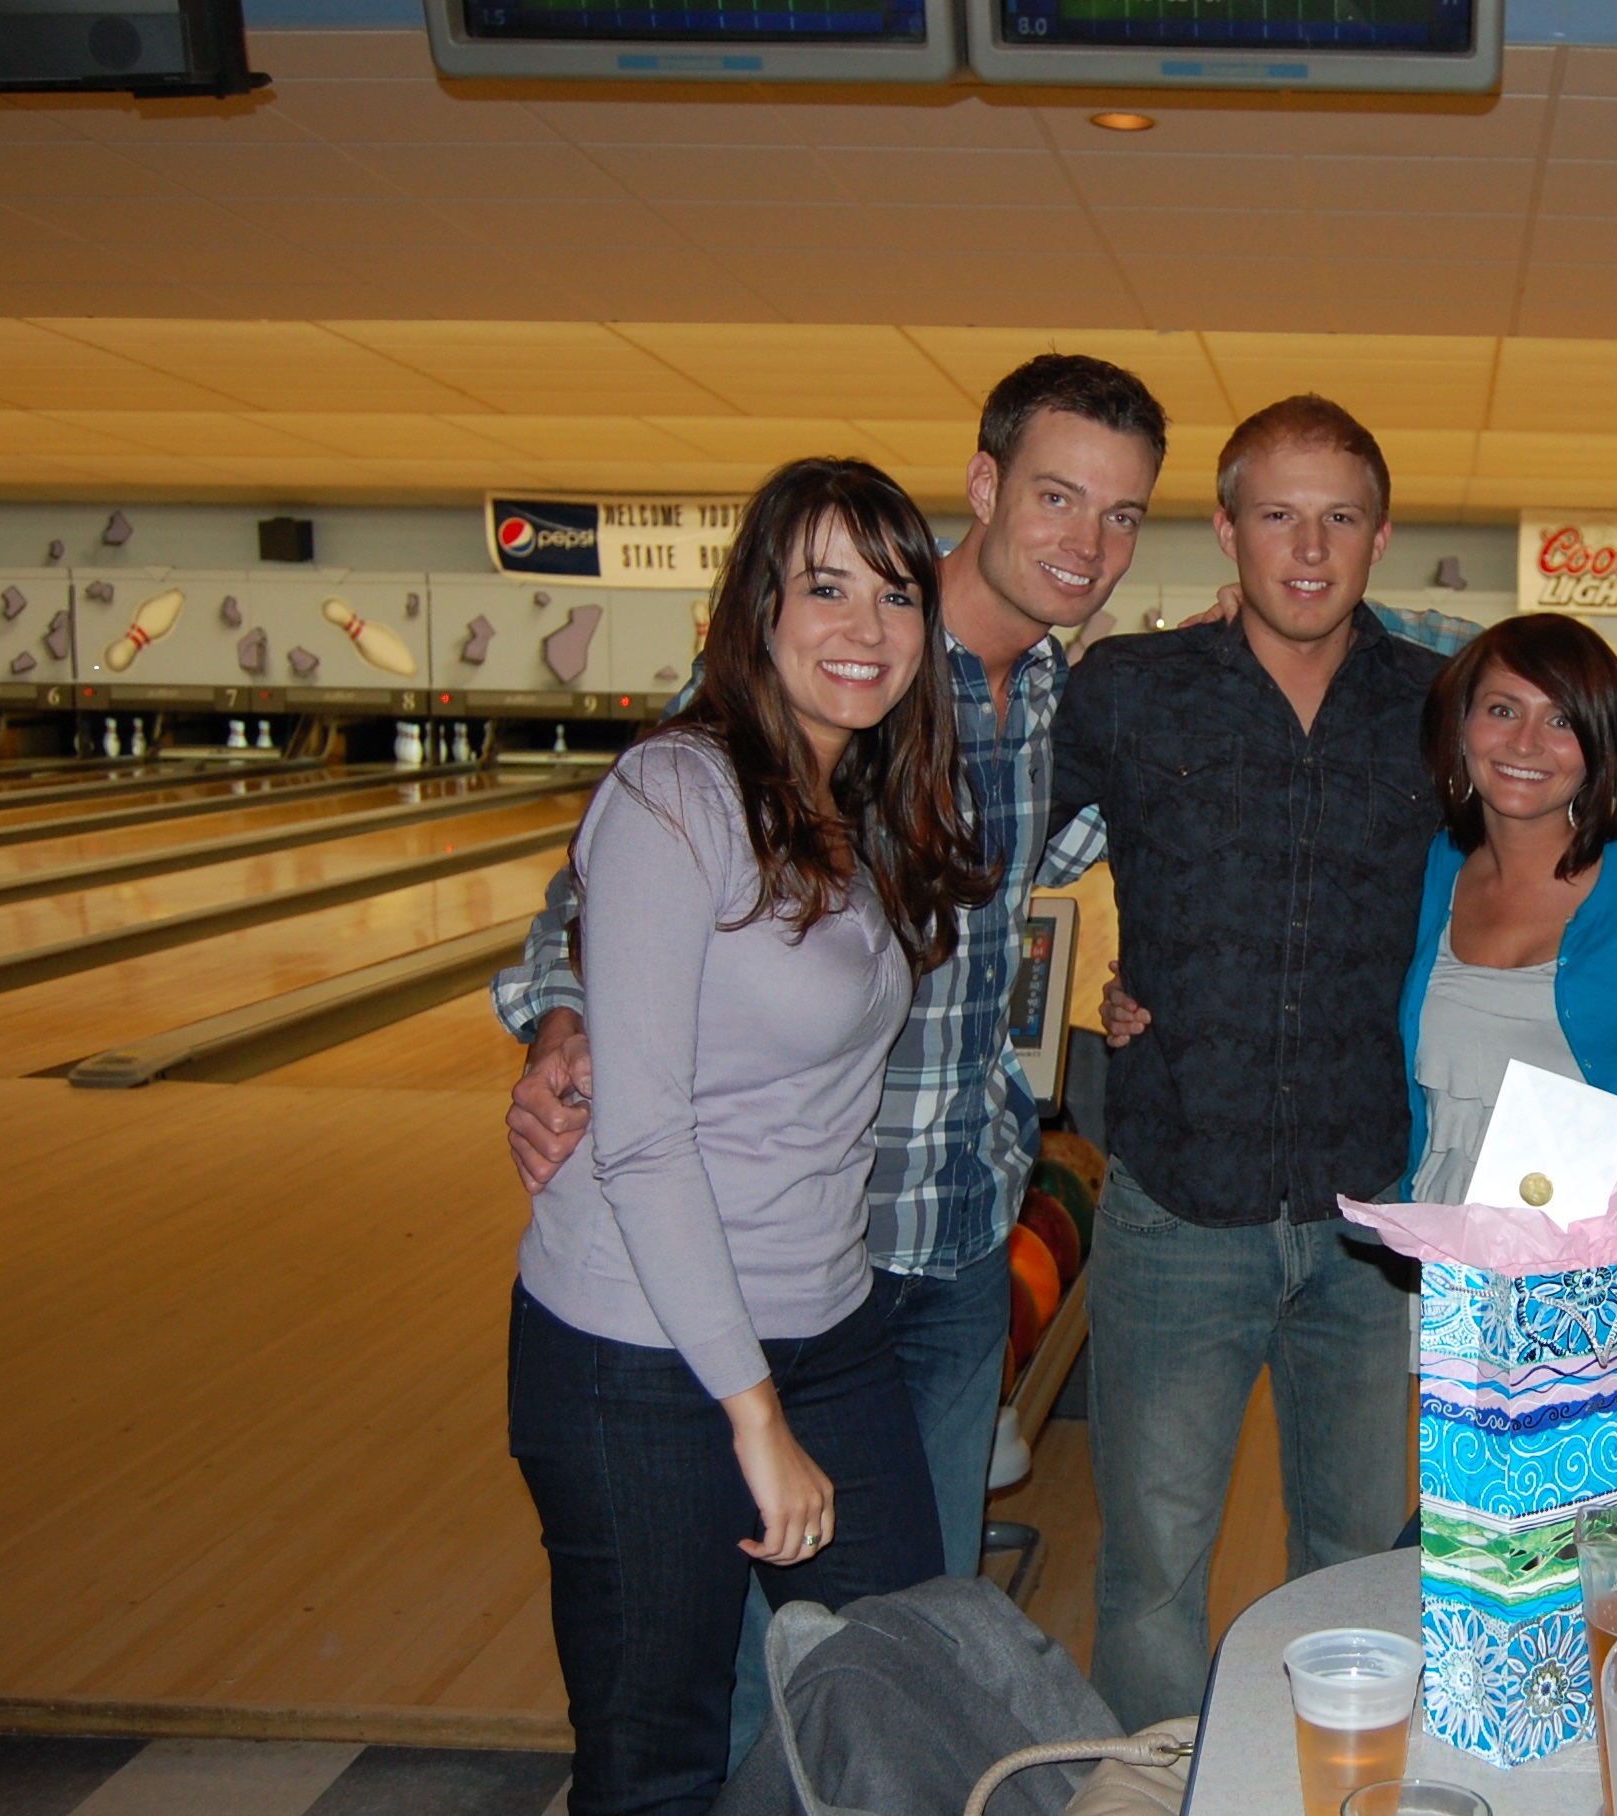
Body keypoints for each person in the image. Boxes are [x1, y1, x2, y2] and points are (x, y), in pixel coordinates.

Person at [499, 353, 1168, 1590]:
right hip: (801, 1244)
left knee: (908, 1626)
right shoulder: (835, 669)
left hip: (962, 1219)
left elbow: (1038, 876)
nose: (1087, 543)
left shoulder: (1052, 701)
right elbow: (609, 875)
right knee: (760, 1642)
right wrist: (561, 1014)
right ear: (983, 485)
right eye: (1057, 496)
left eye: (1120, 513)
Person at [509, 458, 981, 1816]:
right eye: (824, 587)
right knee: (650, 1759)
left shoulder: (865, 800)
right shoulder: (675, 794)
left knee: (900, 1689)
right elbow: (642, 1137)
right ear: (757, 609)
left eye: (894, 594)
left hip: (825, 1319)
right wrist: (754, 1417)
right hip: (639, 1351)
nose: (864, 628)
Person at [1049, 394, 1451, 1731]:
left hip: (1367, 1226)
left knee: (1356, 1565)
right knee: (1153, 1573)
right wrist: (1073, 1000)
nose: (1309, 548)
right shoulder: (1129, 690)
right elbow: (980, 863)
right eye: (1278, 514)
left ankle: (1327, 1814)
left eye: (1341, 518)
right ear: (1226, 529)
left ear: (1381, 536)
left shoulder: (1437, 706)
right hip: (1177, 1206)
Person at [1101, 612, 1617, 1480]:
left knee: (1540, 1523)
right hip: (1454, 1258)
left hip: (1587, 1270)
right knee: (1478, 1528)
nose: (1526, 742)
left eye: (1562, 719)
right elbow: (1302, 957)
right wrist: (1145, 993)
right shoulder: (1432, 869)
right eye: (1502, 709)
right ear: (1461, 726)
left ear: (1599, 743)